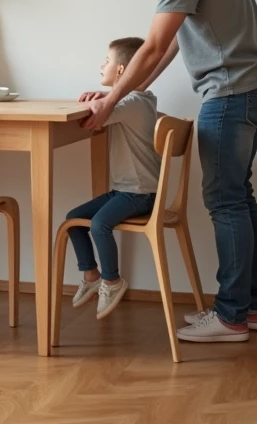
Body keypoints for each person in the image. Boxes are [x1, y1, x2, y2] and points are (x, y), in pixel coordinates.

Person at [80, 0, 257, 343]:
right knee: (239, 196)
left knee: (225, 200)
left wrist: (110, 101)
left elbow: (150, 45)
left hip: (230, 90)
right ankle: (252, 308)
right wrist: (127, 94)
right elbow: (167, 45)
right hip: (252, 84)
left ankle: (231, 316)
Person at [65, 37, 161, 320]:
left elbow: (92, 121)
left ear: (121, 70)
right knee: (73, 220)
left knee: (98, 225)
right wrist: (105, 97)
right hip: (125, 190)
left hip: (140, 193)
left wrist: (101, 100)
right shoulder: (139, 99)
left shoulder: (132, 102)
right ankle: (91, 274)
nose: (101, 65)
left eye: (106, 61)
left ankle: (112, 280)